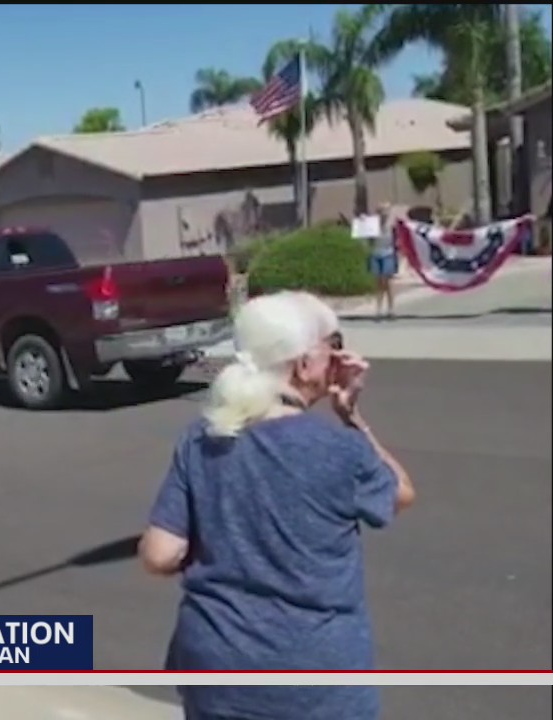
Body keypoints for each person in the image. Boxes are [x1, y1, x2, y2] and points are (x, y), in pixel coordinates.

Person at [139, 291, 415, 720]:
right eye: (334, 343)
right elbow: (399, 493)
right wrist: (352, 417)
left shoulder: (202, 439)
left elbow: (159, 555)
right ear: (304, 364)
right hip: (315, 677)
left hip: (216, 664)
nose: (341, 354)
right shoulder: (340, 449)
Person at [368, 203, 399, 318]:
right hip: (376, 254)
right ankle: (378, 309)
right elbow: (366, 236)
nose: (384, 213)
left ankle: (391, 309)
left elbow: (398, 238)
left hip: (388, 254)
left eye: (386, 211)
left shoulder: (392, 225)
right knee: (379, 282)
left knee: (388, 282)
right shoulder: (372, 224)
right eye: (381, 211)